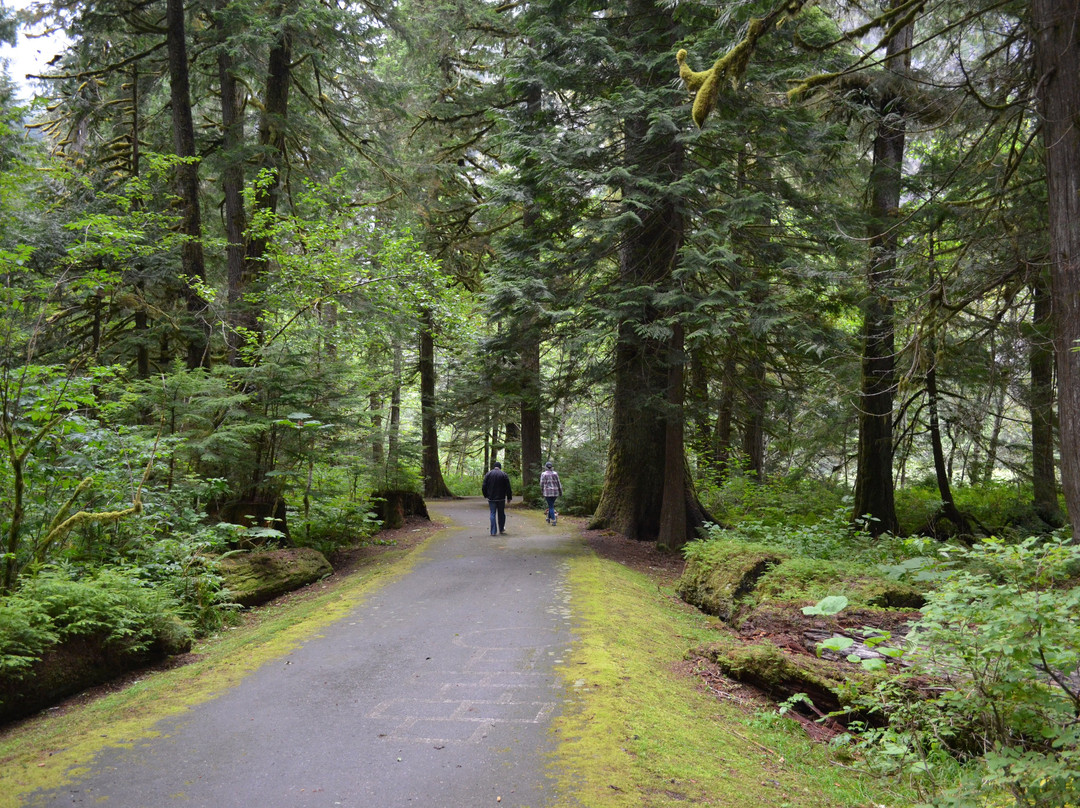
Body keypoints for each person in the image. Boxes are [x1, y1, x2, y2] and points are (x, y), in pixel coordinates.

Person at [482, 461, 513, 535]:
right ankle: (501, 529)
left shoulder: (488, 474)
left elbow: (484, 486)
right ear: (500, 467)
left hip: (491, 497)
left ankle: (493, 531)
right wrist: (509, 497)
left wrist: (485, 495)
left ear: (494, 466)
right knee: (501, 513)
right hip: (501, 498)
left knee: (492, 513)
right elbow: (508, 487)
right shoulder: (504, 474)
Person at [540, 461, 562, 525]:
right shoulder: (555, 473)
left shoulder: (543, 474)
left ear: (546, 467)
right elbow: (559, 483)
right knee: (551, 505)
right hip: (555, 493)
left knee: (551, 506)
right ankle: (548, 518)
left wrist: (542, 491)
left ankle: (554, 520)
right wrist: (560, 492)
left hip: (547, 493)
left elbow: (541, 484)